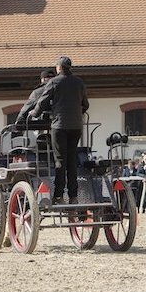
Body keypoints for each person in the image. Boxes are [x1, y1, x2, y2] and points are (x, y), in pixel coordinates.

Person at [33, 56, 88, 204]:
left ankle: (58, 196)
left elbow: (42, 102)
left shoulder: (54, 82)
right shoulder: (79, 82)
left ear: (58, 68)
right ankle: (73, 196)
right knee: (72, 161)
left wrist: (34, 113)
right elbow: (86, 104)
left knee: (60, 161)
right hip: (76, 127)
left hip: (59, 127)